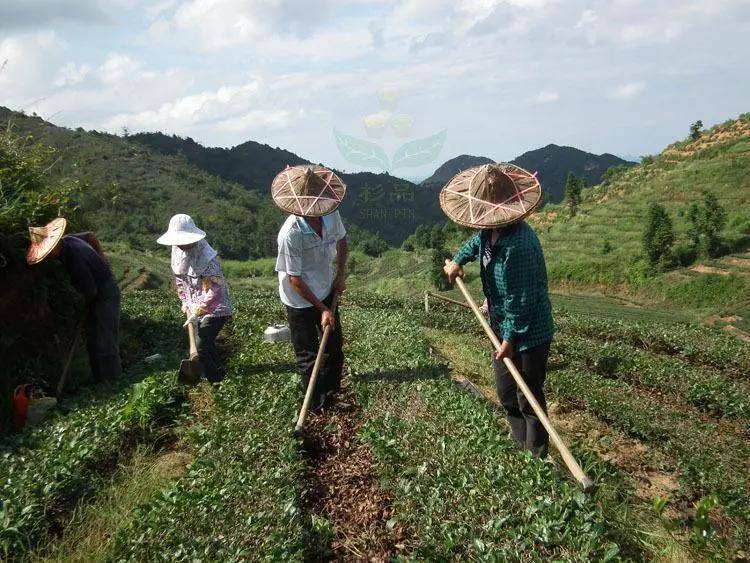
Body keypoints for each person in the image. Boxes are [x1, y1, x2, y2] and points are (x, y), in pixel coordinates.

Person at [440, 163, 554, 458]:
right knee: (506, 394)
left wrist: (510, 340)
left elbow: (522, 299)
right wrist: (458, 261)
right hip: (502, 325)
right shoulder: (491, 231)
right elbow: (475, 243)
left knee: (529, 398)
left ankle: (537, 459)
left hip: (527, 332)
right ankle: (520, 452)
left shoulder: (520, 245)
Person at [271, 165, 348, 411]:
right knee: (308, 356)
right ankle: (316, 406)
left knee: (335, 348)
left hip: (326, 286)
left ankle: (332, 394)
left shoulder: (330, 211)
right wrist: (322, 309)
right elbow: (294, 279)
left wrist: (340, 275)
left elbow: (342, 242)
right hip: (299, 299)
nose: (317, 213)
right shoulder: (290, 234)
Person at [27, 218, 122, 382]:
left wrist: (83, 307)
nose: (48, 256)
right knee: (93, 338)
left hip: (106, 293)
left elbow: (91, 290)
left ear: (54, 245)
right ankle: (100, 380)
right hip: (98, 290)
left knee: (105, 338)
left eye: (48, 252)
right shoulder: (69, 239)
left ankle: (114, 381)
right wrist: (102, 260)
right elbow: (91, 236)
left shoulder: (73, 258)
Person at [157, 214, 232, 383]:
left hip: (215, 308)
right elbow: (180, 280)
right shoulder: (177, 251)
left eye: (185, 241)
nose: (182, 245)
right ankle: (220, 374)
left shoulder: (207, 258)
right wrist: (184, 301)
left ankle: (216, 382)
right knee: (207, 343)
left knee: (201, 345)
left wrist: (199, 310)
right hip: (194, 306)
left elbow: (215, 289)